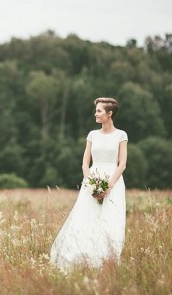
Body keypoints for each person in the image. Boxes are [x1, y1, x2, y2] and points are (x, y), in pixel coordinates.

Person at [50, 97, 128, 271]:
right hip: (92, 180)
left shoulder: (121, 135)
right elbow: (85, 162)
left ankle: (107, 260)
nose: (96, 114)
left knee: (109, 220)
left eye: (99, 111)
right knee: (86, 219)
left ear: (109, 114)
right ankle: (82, 258)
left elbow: (122, 163)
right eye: (96, 110)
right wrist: (90, 183)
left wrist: (108, 186)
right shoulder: (92, 135)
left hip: (113, 182)